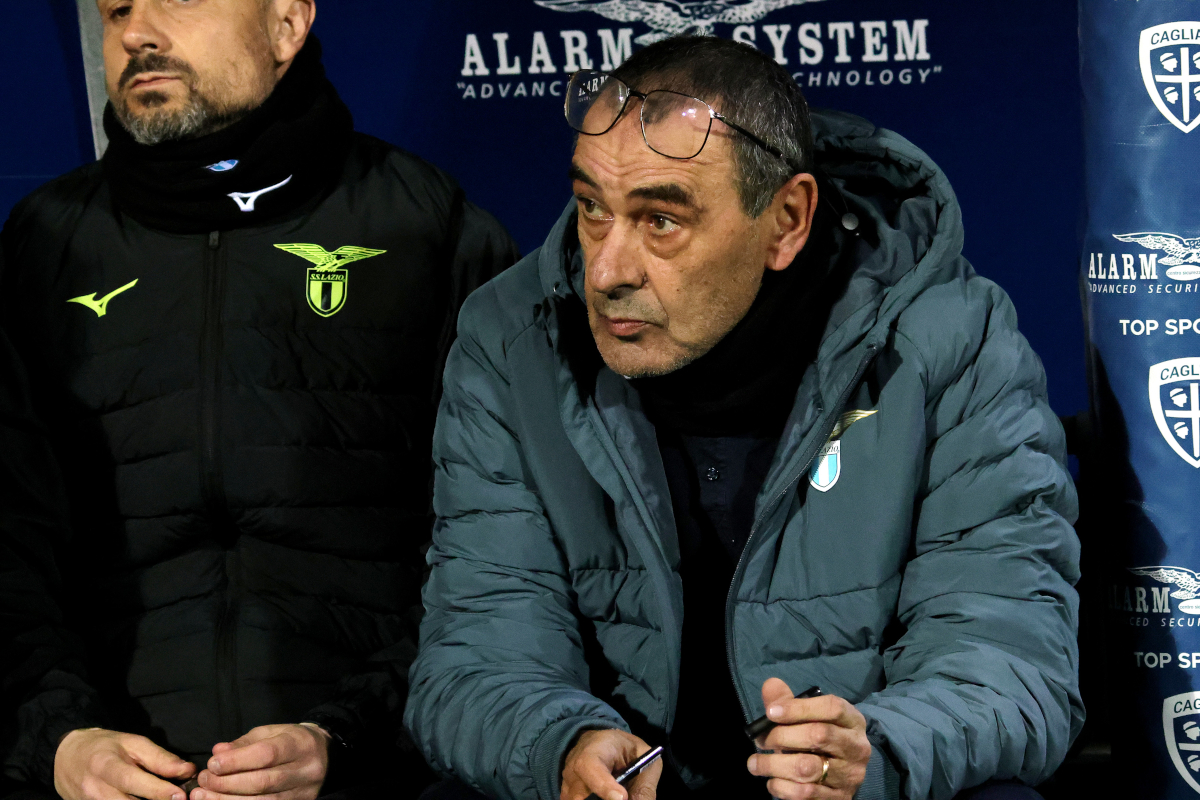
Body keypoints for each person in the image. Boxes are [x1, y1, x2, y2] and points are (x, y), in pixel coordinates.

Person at [405, 36, 1082, 800]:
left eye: (661, 221)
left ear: (787, 219)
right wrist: (560, 743)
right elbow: (478, 647)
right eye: (593, 208)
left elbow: (1009, 656)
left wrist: (879, 750)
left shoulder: (954, 340)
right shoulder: (509, 339)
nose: (606, 270)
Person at [0, 1, 517, 799]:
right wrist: (61, 741)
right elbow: (7, 541)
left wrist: (347, 737)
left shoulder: (432, 230)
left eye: (176, 0)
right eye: (117, 11)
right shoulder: (41, 249)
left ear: (286, 23)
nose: (136, 34)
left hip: (382, 774)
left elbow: (501, 553)